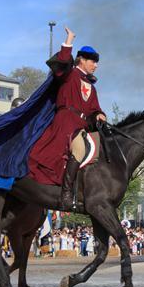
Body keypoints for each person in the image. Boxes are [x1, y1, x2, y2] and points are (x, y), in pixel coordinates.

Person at [28, 27, 106, 209]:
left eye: (96, 62)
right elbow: (62, 62)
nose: (96, 65)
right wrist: (69, 40)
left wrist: (99, 114)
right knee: (79, 150)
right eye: (93, 61)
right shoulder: (69, 74)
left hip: (82, 125)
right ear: (82, 60)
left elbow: (94, 109)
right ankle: (66, 193)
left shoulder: (91, 86)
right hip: (66, 122)